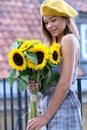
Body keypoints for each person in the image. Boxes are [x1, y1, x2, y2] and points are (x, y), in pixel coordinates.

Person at [27, 0, 82, 130]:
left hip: (64, 110)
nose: (49, 26)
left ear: (65, 18)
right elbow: (53, 83)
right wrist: (38, 85)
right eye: (46, 22)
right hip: (49, 107)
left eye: (53, 20)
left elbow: (64, 84)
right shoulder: (51, 46)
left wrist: (45, 117)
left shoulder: (68, 40)